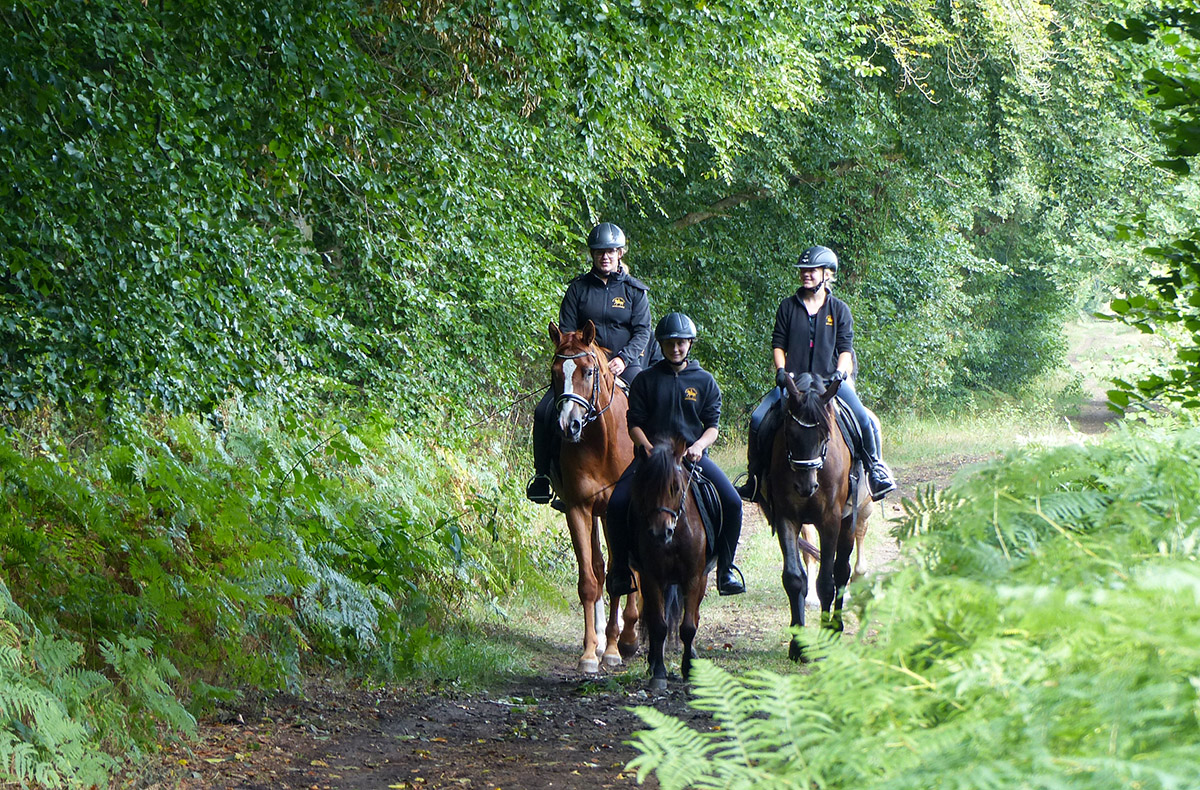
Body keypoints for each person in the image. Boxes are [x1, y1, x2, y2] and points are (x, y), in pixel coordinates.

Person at [735, 245, 896, 502]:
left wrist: (840, 374)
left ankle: (875, 469)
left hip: (829, 382)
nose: (806, 274)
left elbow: (846, 349)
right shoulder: (787, 307)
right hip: (795, 384)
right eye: (803, 270)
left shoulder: (839, 309)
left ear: (827, 274)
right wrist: (780, 371)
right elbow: (779, 344)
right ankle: (754, 478)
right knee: (757, 419)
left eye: (812, 270)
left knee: (864, 419)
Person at [604, 313, 746, 597]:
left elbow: (713, 426)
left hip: (691, 457)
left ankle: (726, 569)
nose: (675, 348)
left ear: (690, 344)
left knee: (732, 501)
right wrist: (646, 446)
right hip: (652, 460)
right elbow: (634, 424)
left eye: (681, 343)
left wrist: (699, 446)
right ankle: (620, 569)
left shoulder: (704, 381)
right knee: (617, 504)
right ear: (661, 345)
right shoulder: (645, 380)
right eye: (670, 343)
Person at [526, 222, 652, 506]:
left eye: (610, 252)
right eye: (599, 252)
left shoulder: (634, 291)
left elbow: (643, 331)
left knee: (651, 407)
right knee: (544, 411)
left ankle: (655, 472)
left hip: (624, 364)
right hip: (581, 366)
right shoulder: (578, 290)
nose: (604, 257)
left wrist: (622, 359)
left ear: (620, 253)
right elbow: (566, 332)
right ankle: (545, 477)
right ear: (592, 255)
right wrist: (581, 355)